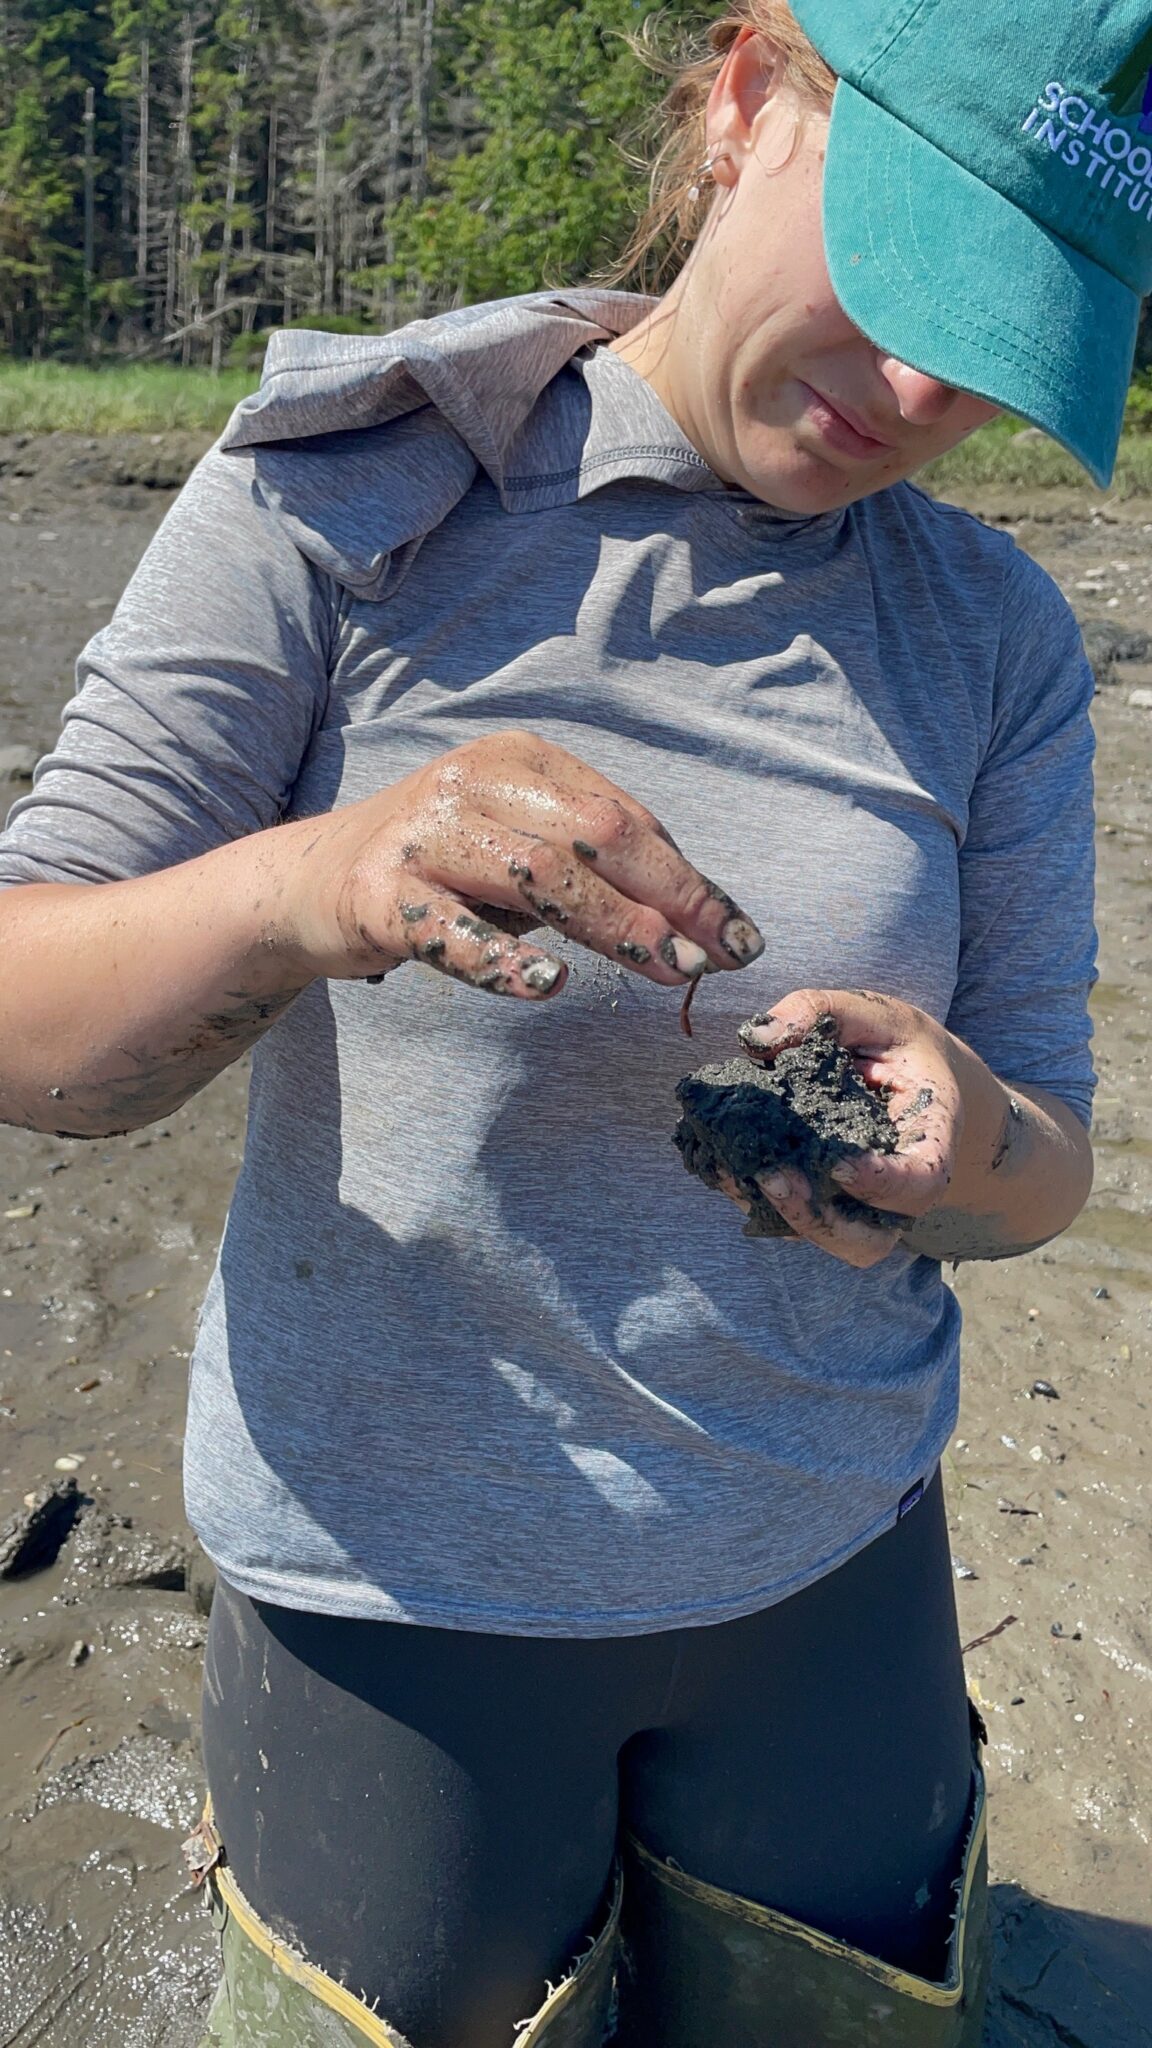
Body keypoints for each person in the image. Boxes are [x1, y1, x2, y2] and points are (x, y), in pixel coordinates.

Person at [1, 0, 1145, 2041]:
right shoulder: (351, 500)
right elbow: (27, 1018)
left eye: (1001, 346)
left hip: (833, 1558)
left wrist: (968, 1144)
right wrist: (316, 880)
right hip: (397, 1592)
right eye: (905, 280)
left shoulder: (991, 636)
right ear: (743, 101)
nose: (918, 386)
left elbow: (1049, 1158)